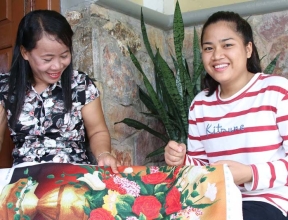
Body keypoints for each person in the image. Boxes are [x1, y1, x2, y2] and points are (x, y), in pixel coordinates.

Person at [164, 11, 288, 220]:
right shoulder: (200, 104)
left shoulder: (276, 91)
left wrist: (249, 173)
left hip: (268, 201)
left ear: (248, 49)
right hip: (216, 201)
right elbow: (202, 169)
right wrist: (180, 159)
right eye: (208, 48)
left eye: (227, 45)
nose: (217, 55)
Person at [0, 10, 119, 173]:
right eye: (47, 59)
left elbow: (98, 131)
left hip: (73, 175)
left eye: (64, 55)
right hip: (24, 178)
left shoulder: (80, 84)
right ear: (25, 52)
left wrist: (104, 153)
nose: (57, 66)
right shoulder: (6, 87)